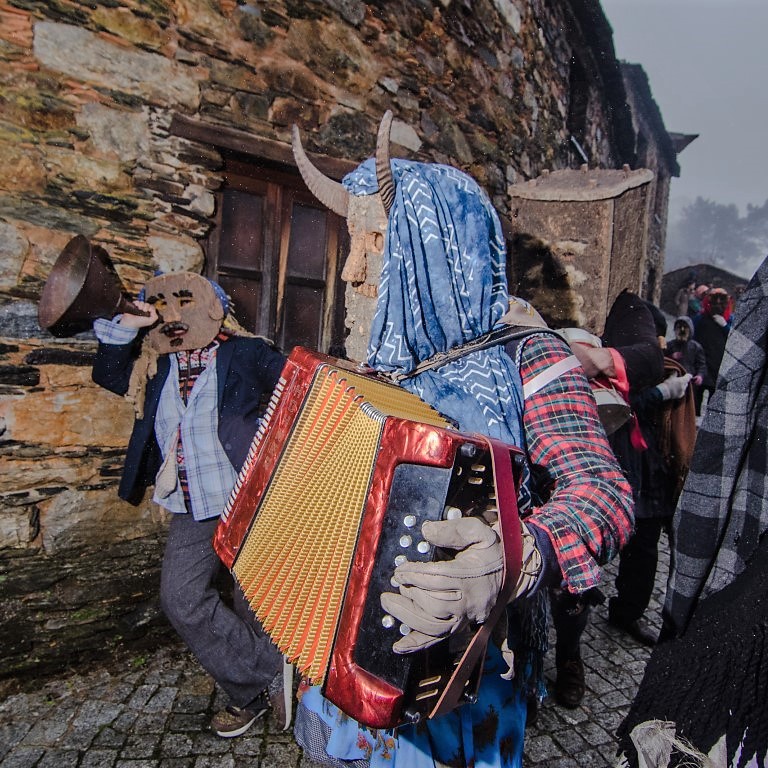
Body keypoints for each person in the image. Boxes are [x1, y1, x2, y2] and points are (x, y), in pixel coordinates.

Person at [290, 119, 634, 767]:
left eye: (376, 244)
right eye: (352, 245)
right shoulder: (378, 365)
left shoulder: (529, 358)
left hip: (467, 677)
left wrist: (520, 555)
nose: (353, 272)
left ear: (434, 249)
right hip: (351, 656)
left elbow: (604, 492)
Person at [91, 271, 289, 738]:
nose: (174, 314)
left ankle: (271, 693)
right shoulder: (152, 365)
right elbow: (109, 373)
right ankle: (264, 679)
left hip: (249, 499)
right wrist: (129, 321)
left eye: (184, 301)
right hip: (192, 502)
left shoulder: (245, 352)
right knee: (180, 597)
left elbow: (297, 388)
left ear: (214, 307)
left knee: (253, 600)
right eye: (162, 305)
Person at [617, 255, 768, 768]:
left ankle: (631, 609)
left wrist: (688, 386)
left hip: (666, 479)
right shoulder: (644, 367)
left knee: (648, 551)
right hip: (640, 476)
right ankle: (619, 614)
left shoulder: (695, 353)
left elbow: (714, 390)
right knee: (637, 547)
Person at [548, 293, 666, 708]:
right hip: (552, 442)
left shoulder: (625, 306)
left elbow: (649, 361)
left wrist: (593, 360)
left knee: (586, 563)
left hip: (607, 449)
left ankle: (569, 659)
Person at [606, 305, 695, 648]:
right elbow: (621, 404)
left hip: (653, 469)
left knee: (645, 551)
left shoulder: (666, 365)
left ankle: (627, 612)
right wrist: (659, 394)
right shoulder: (621, 362)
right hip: (623, 462)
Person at [693, 287, 730, 414]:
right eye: (715, 301)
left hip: (718, 364)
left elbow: (735, 338)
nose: (718, 304)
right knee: (697, 392)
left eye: (721, 301)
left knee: (714, 395)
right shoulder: (700, 319)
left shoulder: (728, 321)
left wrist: (725, 326)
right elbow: (692, 335)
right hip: (702, 361)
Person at [666, 315, 706, 413]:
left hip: (690, 384)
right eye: (679, 327)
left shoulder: (696, 347)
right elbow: (662, 361)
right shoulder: (670, 345)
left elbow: (701, 365)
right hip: (672, 382)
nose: (682, 330)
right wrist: (671, 357)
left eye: (685, 327)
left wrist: (700, 376)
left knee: (687, 408)